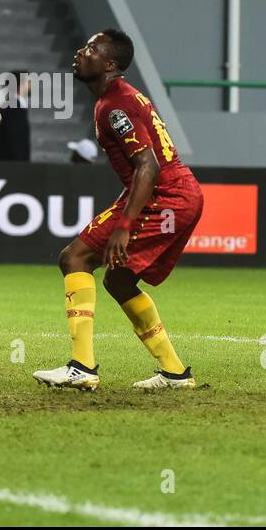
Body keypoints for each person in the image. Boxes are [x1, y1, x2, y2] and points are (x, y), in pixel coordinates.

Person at [33, 30, 202, 391]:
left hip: (165, 195)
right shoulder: (114, 99)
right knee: (119, 280)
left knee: (74, 258)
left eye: (91, 49)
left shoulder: (115, 105)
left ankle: (82, 366)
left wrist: (124, 225)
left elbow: (148, 166)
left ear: (110, 65)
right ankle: (174, 373)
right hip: (177, 193)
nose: (81, 52)